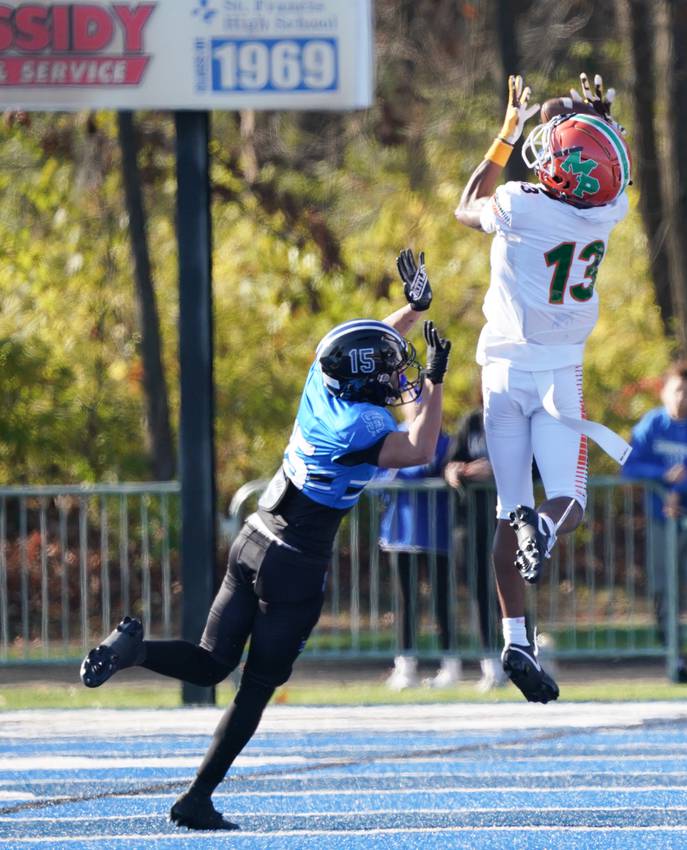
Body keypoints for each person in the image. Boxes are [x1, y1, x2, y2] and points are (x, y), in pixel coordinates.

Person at [79, 249, 451, 831]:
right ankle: (195, 798)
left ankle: (136, 652)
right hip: (296, 562)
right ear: (365, 383)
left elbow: (362, 349)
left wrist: (411, 310)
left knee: (209, 663)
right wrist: (434, 381)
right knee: (254, 690)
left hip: (254, 538)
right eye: (388, 371)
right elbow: (422, 448)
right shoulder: (363, 425)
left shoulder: (323, 386)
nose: (394, 374)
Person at [454, 72, 633, 703]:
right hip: (561, 372)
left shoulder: (519, 204)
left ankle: (514, 637)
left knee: (510, 509)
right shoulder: (611, 209)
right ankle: (546, 534)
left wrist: (506, 134)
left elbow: (466, 203)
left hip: (501, 370)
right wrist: (601, 116)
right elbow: (605, 169)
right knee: (567, 502)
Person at [622, 360, 687, 683]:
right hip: (661, 521)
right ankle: (676, 659)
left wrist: (680, 489)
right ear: (664, 391)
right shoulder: (651, 424)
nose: (683, 397)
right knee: (663, 588)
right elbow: (629, 464)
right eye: (677, 390)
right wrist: (662, 476)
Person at [379, 404, 456, 689]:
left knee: (442, 600)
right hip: (399, 532)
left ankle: (450, 662)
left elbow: (439, 469)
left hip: (436, 532)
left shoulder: (443, 438)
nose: (419, 406)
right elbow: (377, 475)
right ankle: (406, 665)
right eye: (414, 399)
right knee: (405, 600)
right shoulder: (390, 436)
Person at [444, 389, 505, 691]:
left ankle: (523, 652)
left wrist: (496, 471)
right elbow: (451, 461)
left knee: (507, 588)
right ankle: (490, 661)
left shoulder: (517, 421)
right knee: (478, 588)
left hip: (506, 519)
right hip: (470, 521)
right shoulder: (471, 422)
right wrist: (455, 470)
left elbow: (534, 467)